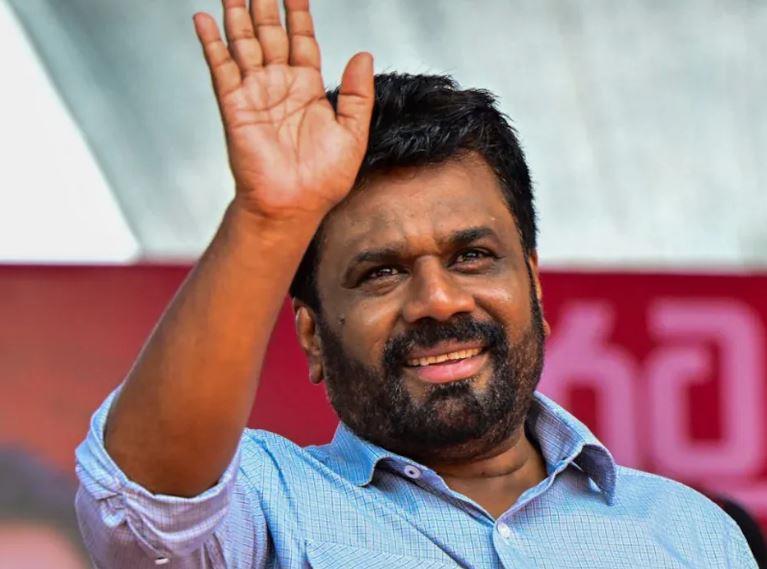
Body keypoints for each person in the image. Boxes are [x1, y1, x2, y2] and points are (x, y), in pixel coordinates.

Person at [74, 0, 757, 567]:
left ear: (533, 286)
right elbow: (145, 510)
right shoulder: (266, 508)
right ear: (311, 334)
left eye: (472, 256)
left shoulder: (691, 534)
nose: (438, 299)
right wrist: (268, 218)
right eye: (381, 272)